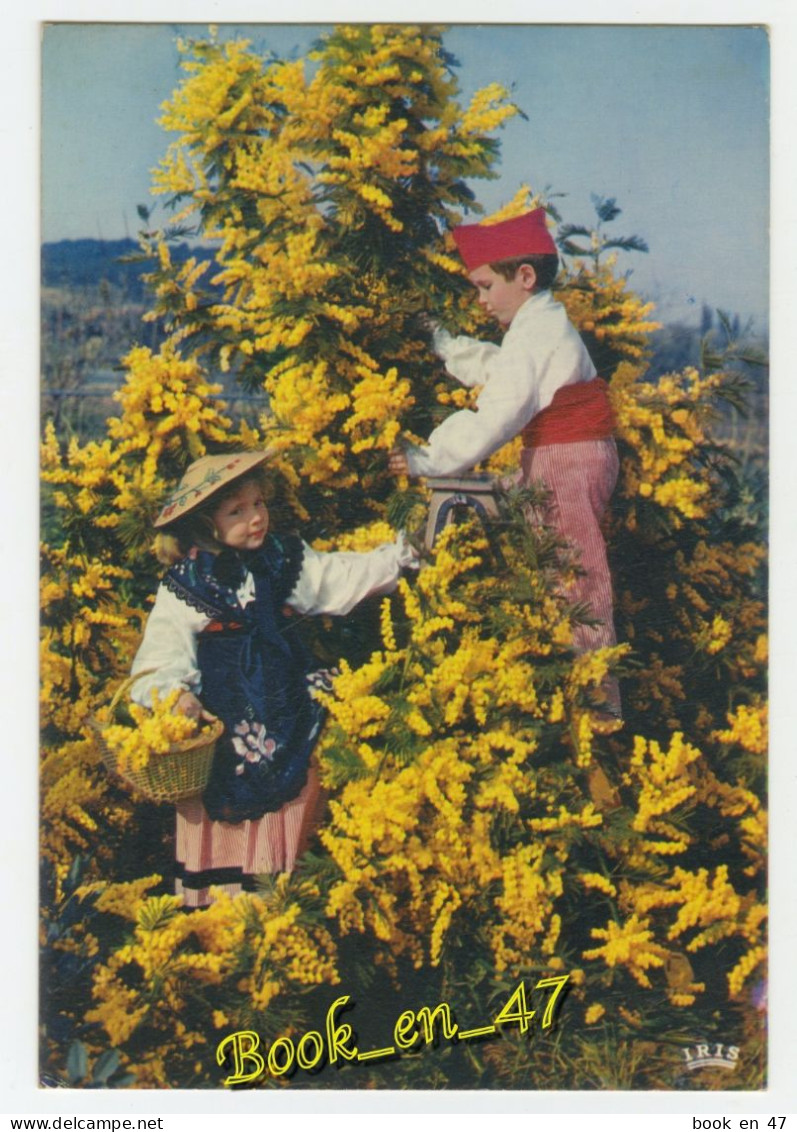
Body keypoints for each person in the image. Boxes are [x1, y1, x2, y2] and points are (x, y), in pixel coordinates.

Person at [130, 450, 417, 907]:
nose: (255, 518)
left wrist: (400, 556)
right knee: (221, 771)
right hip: (223, 702)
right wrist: (175, 693)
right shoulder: (187, 583)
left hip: (284, 689)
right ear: (207, 525)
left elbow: (341, 578)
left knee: (307, 757)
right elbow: (162, 649)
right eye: (237, 512)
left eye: (258, 504)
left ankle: (281, 892)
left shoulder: (285, 559)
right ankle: (221, 902)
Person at [389, 207, 621, 723]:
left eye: (485, 286)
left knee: (575, 579)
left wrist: (426, 459)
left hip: (565, 461)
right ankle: (572, 685)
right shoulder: (541, 326)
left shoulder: (537, 334)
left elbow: (499, 414)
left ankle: (595, 703)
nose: (481, 300)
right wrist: (447, 345)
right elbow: (504, 372)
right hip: (568, 456)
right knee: (558, 567)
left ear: (524, 277)